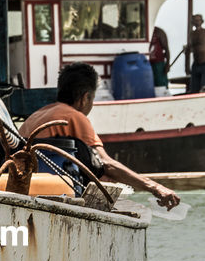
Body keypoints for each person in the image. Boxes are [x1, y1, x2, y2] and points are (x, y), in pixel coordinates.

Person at [18, 63, 181, 210]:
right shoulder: (74, 117)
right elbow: (107, 164)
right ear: (85, 98)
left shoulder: (35, 116)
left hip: (25, 188)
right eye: (92, 99)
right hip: (55, 191)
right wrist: (155, 187)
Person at [148, 26, 171, 95]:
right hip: (146, 64)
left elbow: (166, 49)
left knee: (161, 85)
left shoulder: (159, 32)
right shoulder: (142, 31)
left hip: (158, 63)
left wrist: (167, 64)